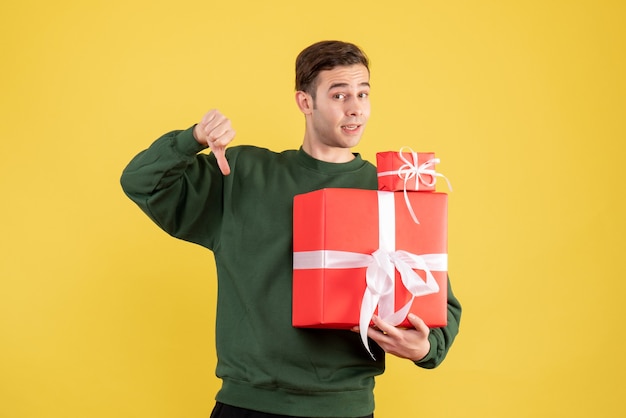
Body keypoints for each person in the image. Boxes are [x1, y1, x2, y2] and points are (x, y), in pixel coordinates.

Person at [120, 40, 462, 418]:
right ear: (305, 102)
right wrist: (193, 139)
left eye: (363, 93)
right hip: (247, 404)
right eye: (339, 94)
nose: (356, 108)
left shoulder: (390, 190)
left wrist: (425, 348)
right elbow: (141, 181)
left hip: (344, 407)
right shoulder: (241, 174)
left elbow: (440, 304)